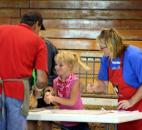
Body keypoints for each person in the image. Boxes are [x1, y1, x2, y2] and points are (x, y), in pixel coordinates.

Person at [0, 12, 48, 130]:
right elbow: (41, 79)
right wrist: (37, 89)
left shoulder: (1, 29)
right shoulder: (38, 41)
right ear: (37, 24)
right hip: (18, 92)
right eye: (39, 29)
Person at [87, 28, 142, 130]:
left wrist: (131, 101)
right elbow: (103, 86)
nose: (100, 49)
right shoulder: (106, 58)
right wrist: (94, 87)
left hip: (139, 105)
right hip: (123, 107)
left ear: (111, 45)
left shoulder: (134, 55)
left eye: (102, 47)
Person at [44, 51, 90, 130]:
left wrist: (53, 98)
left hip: (78, 121)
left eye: (60, 65)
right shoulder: (55, 81)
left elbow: (71, 102)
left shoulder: (75, 81)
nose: (56, 67)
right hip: (65, 121)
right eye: (56, 64)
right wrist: (49, 98)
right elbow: (57, 102)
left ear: (69, 66)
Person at [28, 39, 58, 130]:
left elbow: (47, 70)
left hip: (44, 86)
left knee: (45, 117)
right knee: (31, 118)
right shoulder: (44, 44)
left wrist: (45, 88)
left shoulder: (46, 44)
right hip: (35, 85)